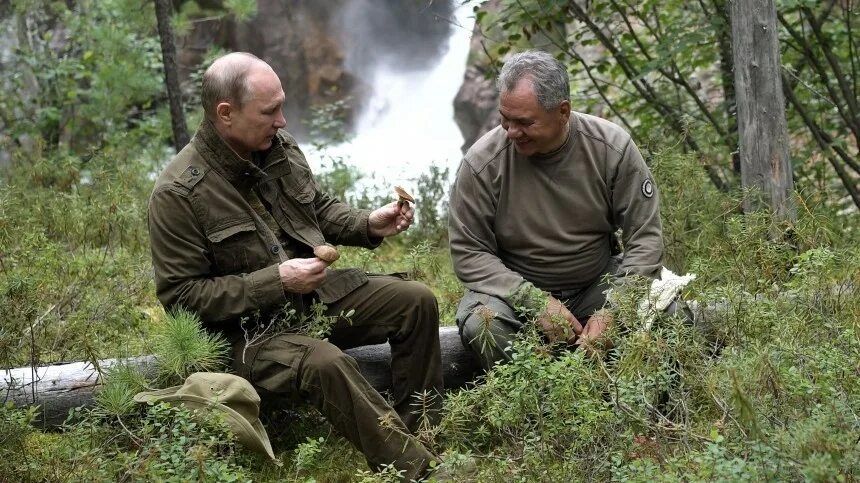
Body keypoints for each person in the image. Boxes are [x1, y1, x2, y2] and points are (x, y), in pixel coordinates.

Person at [148, 52, 442, 480]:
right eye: (270, 111)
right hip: (247, 335)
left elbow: (314, 209)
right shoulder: (178, 194)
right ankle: (416, 471)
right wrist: (278, 280)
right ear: (225, 114)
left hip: (311, 301)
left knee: (415, 300)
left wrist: (367, 224)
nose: (283, 121)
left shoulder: (275, 146)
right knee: (327, 362)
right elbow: (182, 298)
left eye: (281, 106)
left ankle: (422, 433)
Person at [448, 50, 664, 370]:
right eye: (504, 119)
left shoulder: (611, 148)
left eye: (524, 122)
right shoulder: (482, 163)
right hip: (514, 295)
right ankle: (540, 404)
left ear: (563, 111)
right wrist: (534, 303)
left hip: (595, 285)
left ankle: (619, 401)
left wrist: (615, 310)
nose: (511, 132)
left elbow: (646, 239)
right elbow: (468, 252)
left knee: (668, 314)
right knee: (484, 325)